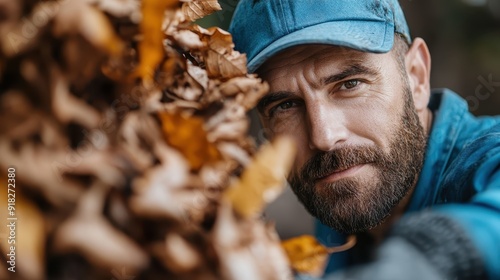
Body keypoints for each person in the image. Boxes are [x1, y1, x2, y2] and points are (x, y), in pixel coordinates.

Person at [229, 1, 500, 279]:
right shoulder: (339, 216)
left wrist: (435, 251)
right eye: (285, 106)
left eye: (350, 84)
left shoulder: (489, 156)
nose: (324, 137)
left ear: (417, 78)